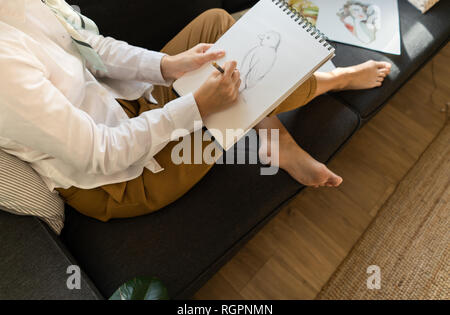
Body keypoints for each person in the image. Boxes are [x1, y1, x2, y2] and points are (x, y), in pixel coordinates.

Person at [0, 1, 391, 221]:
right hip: (118, 177)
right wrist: (198, 105)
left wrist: (166, 67)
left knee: (217, 27)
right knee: (238, 94)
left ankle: (272, 139)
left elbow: (90, 46)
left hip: (119, 103)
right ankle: (331, 84)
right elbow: (100, 153)